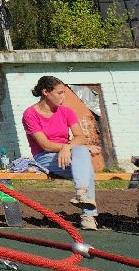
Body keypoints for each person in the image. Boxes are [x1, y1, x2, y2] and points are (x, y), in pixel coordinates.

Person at [21, 74, 100, 231]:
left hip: (68, 155)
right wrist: (67, 147)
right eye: (60, 93)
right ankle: (88, 216)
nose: (63, 96)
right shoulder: (30, 114)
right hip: (45, 157)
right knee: (86, 167)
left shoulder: (67, 112)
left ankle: (81, 193)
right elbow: (45, 145)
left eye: (64, 92)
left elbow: (81, 137)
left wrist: (67, 147)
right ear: (45, 92)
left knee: (81, 153)